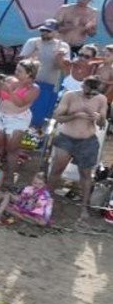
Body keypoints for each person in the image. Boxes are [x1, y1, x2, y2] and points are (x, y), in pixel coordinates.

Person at [47, 78, 107, 222]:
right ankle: (46, 199)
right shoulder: (70, 96)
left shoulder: (101, 99)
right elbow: (57, 116)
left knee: (86, 175)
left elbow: (102, 123)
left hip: (87, 140)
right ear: (83, 86)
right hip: (66, 138)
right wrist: (75, 115)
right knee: (57, 169)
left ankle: (84, 207)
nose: (90, 96)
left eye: (94, 94)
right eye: (88, 93)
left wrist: (99, 117)